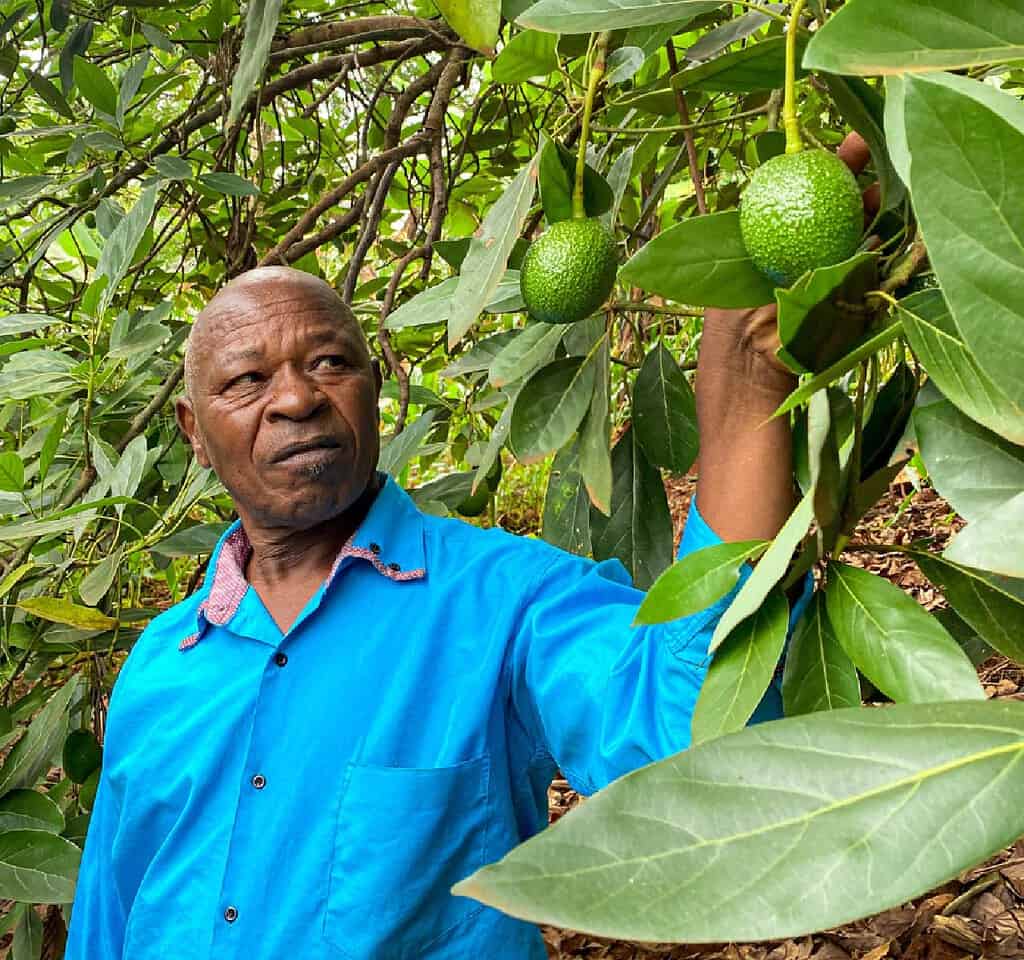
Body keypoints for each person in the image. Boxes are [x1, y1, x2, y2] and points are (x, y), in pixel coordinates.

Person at [64, 135, 871, 959]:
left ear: (377, 390)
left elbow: (692, 745)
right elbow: (108, 914)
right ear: (194, 433)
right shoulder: (160, 667)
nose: (298, 398)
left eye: (330, 362)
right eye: (247, 381)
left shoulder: (505, 601)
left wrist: (746, 397)